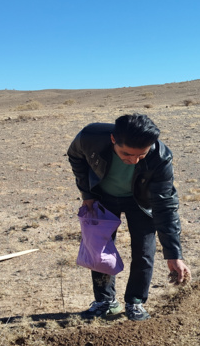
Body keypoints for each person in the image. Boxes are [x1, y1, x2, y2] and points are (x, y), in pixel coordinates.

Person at [68, 113, 191, 321]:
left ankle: (135, 302)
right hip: (103, 197)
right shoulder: (90, 137)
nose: (133, 161)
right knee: (99, 250)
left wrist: (174, 254)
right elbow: (75, 156)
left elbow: (166, 206)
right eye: (126, 154)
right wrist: (87, 194)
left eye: (140, 156)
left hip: (141, 203)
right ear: (113, 140)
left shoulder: (160, 157)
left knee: (144, 251)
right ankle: (105, 302)